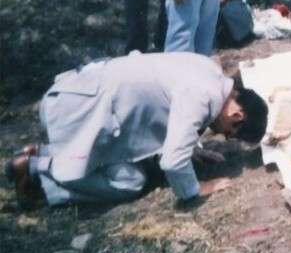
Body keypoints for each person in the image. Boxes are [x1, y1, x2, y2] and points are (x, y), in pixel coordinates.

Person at [5, 52, 268, 209]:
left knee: (131, 171)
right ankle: (38, 169)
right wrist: (196, 188)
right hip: (76, 111)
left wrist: (189, 147)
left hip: (80, 97)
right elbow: (173, 162)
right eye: (228, 133)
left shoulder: (210, 71)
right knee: (131, 181)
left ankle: (41, 153)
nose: (220, 135)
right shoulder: (202, 96)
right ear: (237, 115)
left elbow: (169, 108)